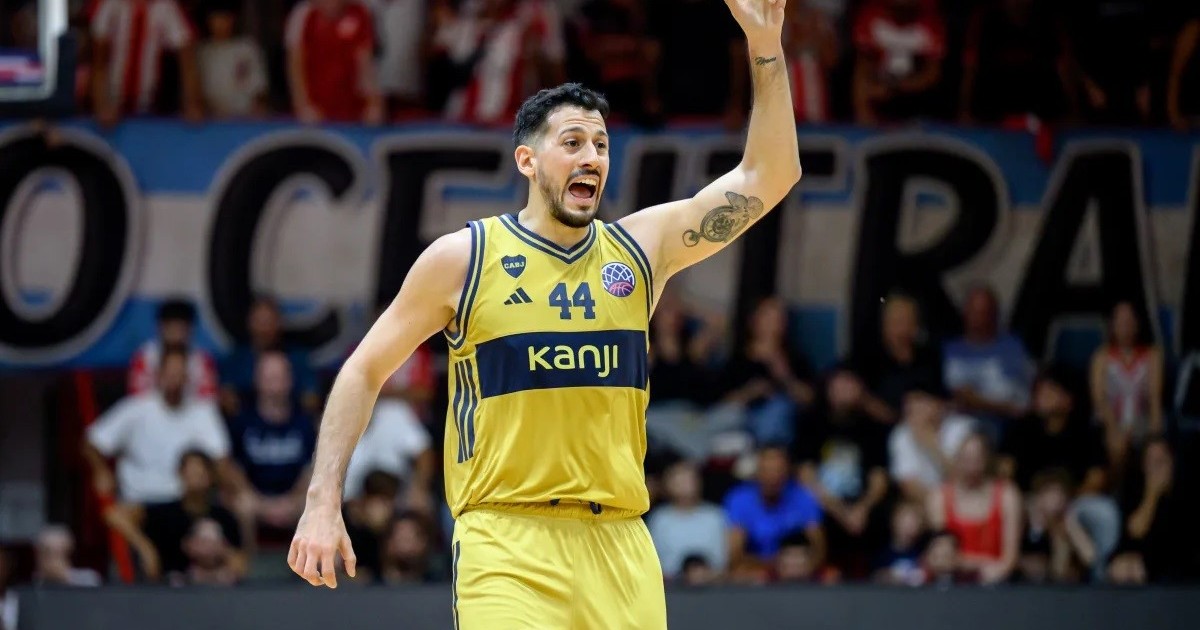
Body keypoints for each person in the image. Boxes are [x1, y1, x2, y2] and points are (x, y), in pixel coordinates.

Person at [288, 2, 801, 628]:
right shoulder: (463, 259)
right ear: (528, 161)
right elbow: (363, 370)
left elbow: (770, 175)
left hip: (620, 544)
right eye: (573, 143)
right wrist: (322, 500)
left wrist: (765, 44)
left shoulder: (642, 249)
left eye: (601, 145)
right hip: (507, 542)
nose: (592, 157)